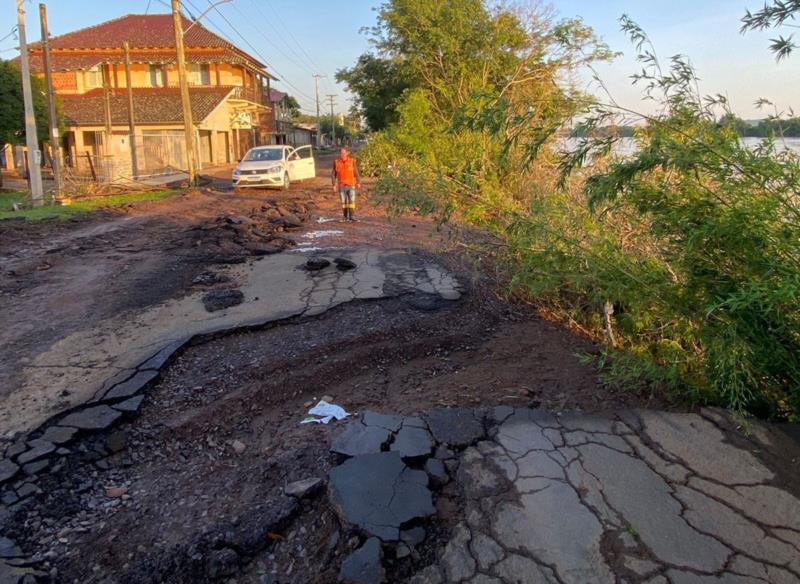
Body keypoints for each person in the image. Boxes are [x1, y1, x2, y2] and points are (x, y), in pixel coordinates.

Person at [331, 147, 361, 222]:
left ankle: (352, 217)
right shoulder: (336, 162)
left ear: (347, 153)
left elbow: (356, 172)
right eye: (341, 153)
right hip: (341, 186)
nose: (342, 154)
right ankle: (344, 217)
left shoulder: (352, 161)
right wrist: (334, 185)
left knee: (352, 201)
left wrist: (358, 182)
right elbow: (333, 174)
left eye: (344, 153)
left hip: (351, 185)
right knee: (343, 202)